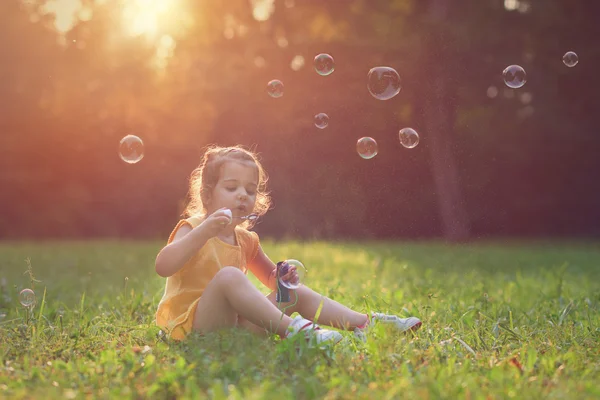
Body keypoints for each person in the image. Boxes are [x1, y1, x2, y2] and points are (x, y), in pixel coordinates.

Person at [155, 145, 422, 345]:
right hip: (194, 330)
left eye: (250, 190)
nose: (242, 195)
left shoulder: (246, 240)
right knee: (229, 276)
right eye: (232, 187)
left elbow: (274, 282)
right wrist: (203, 232)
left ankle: (365, 324)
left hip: (235, 332)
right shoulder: (193, 228)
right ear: (207, 194)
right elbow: (163, 266)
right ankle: (298, 332)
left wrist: (283, 278)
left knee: (292, 292)